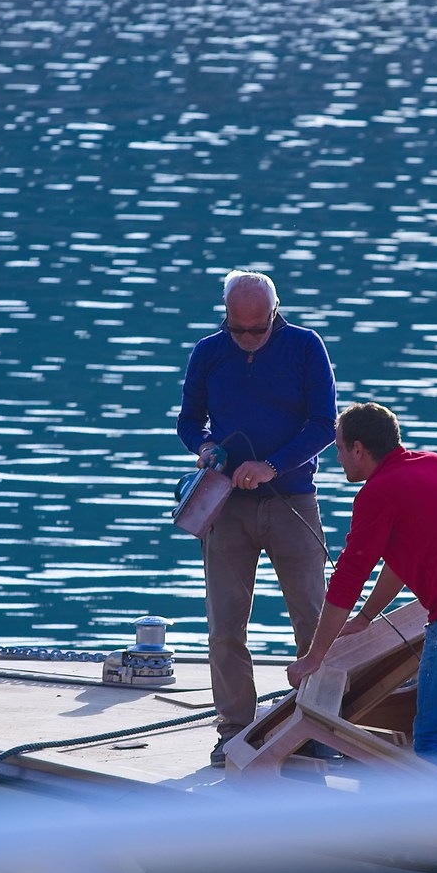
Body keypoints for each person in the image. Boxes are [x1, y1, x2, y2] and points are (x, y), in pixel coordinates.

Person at [293, 402, 437, 779]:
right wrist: (366, 618)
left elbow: (349, 577)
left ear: (358, 448)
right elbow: (400, 562)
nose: (336, 458)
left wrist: (313, 657)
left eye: (338, 448)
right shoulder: (436, 464)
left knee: (433, 741)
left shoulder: (377, 493)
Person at [175, 270, 337, 763]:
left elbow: (324, 424)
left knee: (313, 622)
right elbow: (188, 422)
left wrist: (271, 466)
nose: (246, 338)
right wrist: (205, 448)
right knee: (225, 627)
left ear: (274, 314)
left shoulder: (306, 348)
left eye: (257, 329)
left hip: (293, 502)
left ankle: (322, 725)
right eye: (237, 328)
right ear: (225, 316)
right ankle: (233, 731)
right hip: (227, 509)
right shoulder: (208, 351)